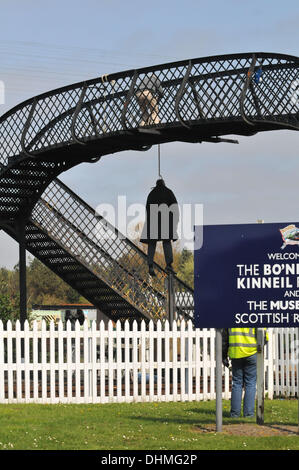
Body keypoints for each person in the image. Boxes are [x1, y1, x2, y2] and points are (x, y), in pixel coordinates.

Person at [222, 327, 268, 418]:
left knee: (237, 383)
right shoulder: (254, 314)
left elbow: (225, 338)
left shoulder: (230, 316)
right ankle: (249, 414)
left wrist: (223, 356)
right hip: (252, 353)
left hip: (236, 353)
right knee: (250, 383)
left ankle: (235, 414)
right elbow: (263, 337)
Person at [140, 178, 179, 276]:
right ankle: (169, 265)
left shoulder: (151, 194)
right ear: (164, 184)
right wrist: (175, 222)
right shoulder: (168, 192)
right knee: (166, 242)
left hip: (153, 219)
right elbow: (175, 207)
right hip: (166, 219)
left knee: (152, 243)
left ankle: (150, 265)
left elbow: (147, 208)